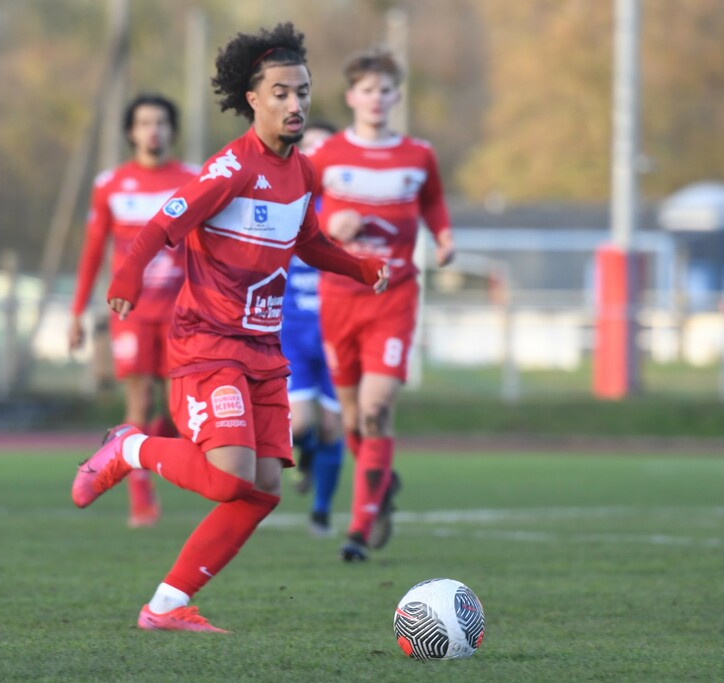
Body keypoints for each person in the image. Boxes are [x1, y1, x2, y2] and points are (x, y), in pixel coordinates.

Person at [71, 22, 389, 632]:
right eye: (280, 93)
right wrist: (126, 281)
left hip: (263, 349)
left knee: (262, 488)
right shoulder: (230, 168)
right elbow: (163, 225)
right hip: (206, 343)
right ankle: (129, 447)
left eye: (302, 91)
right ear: (253, 98)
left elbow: (309, 241)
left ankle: (165, 606)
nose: (295, 104)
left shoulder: (303, 172)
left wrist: (359, 268)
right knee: (229, 477)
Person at [308, 46, 455, 562]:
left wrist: (443, 237)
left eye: (385, 89)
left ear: (397, 96)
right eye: (367, 89)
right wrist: (330, 227)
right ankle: (381, 483)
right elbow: (299, 218)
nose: (376, 98)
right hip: (340, 298)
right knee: (351, 418)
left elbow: (433, 200)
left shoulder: (418, 155)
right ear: (351, 96)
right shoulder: (326, 157)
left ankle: (359, 527)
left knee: (376, 409)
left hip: (393, 296)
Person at [69, 94, 198, 528]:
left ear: (172, 130)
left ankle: (125, 453)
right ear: (131, 132)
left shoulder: (193, 179)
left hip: (184, 312)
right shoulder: (110, 184)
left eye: (160, 122)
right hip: (133, 313)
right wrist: (76, 314)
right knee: (139, 402)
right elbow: (92, 253)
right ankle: (141, 501)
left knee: (179, 416)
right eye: (144, 123)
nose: (152, 130)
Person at [281, 120, 345, 538]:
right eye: (312, 149)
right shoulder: (285, 204)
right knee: (301, 426)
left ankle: (322, 510)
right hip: (294, 331)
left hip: (340, 331)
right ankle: (304, 456)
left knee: (331, 427)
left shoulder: (350, 209)